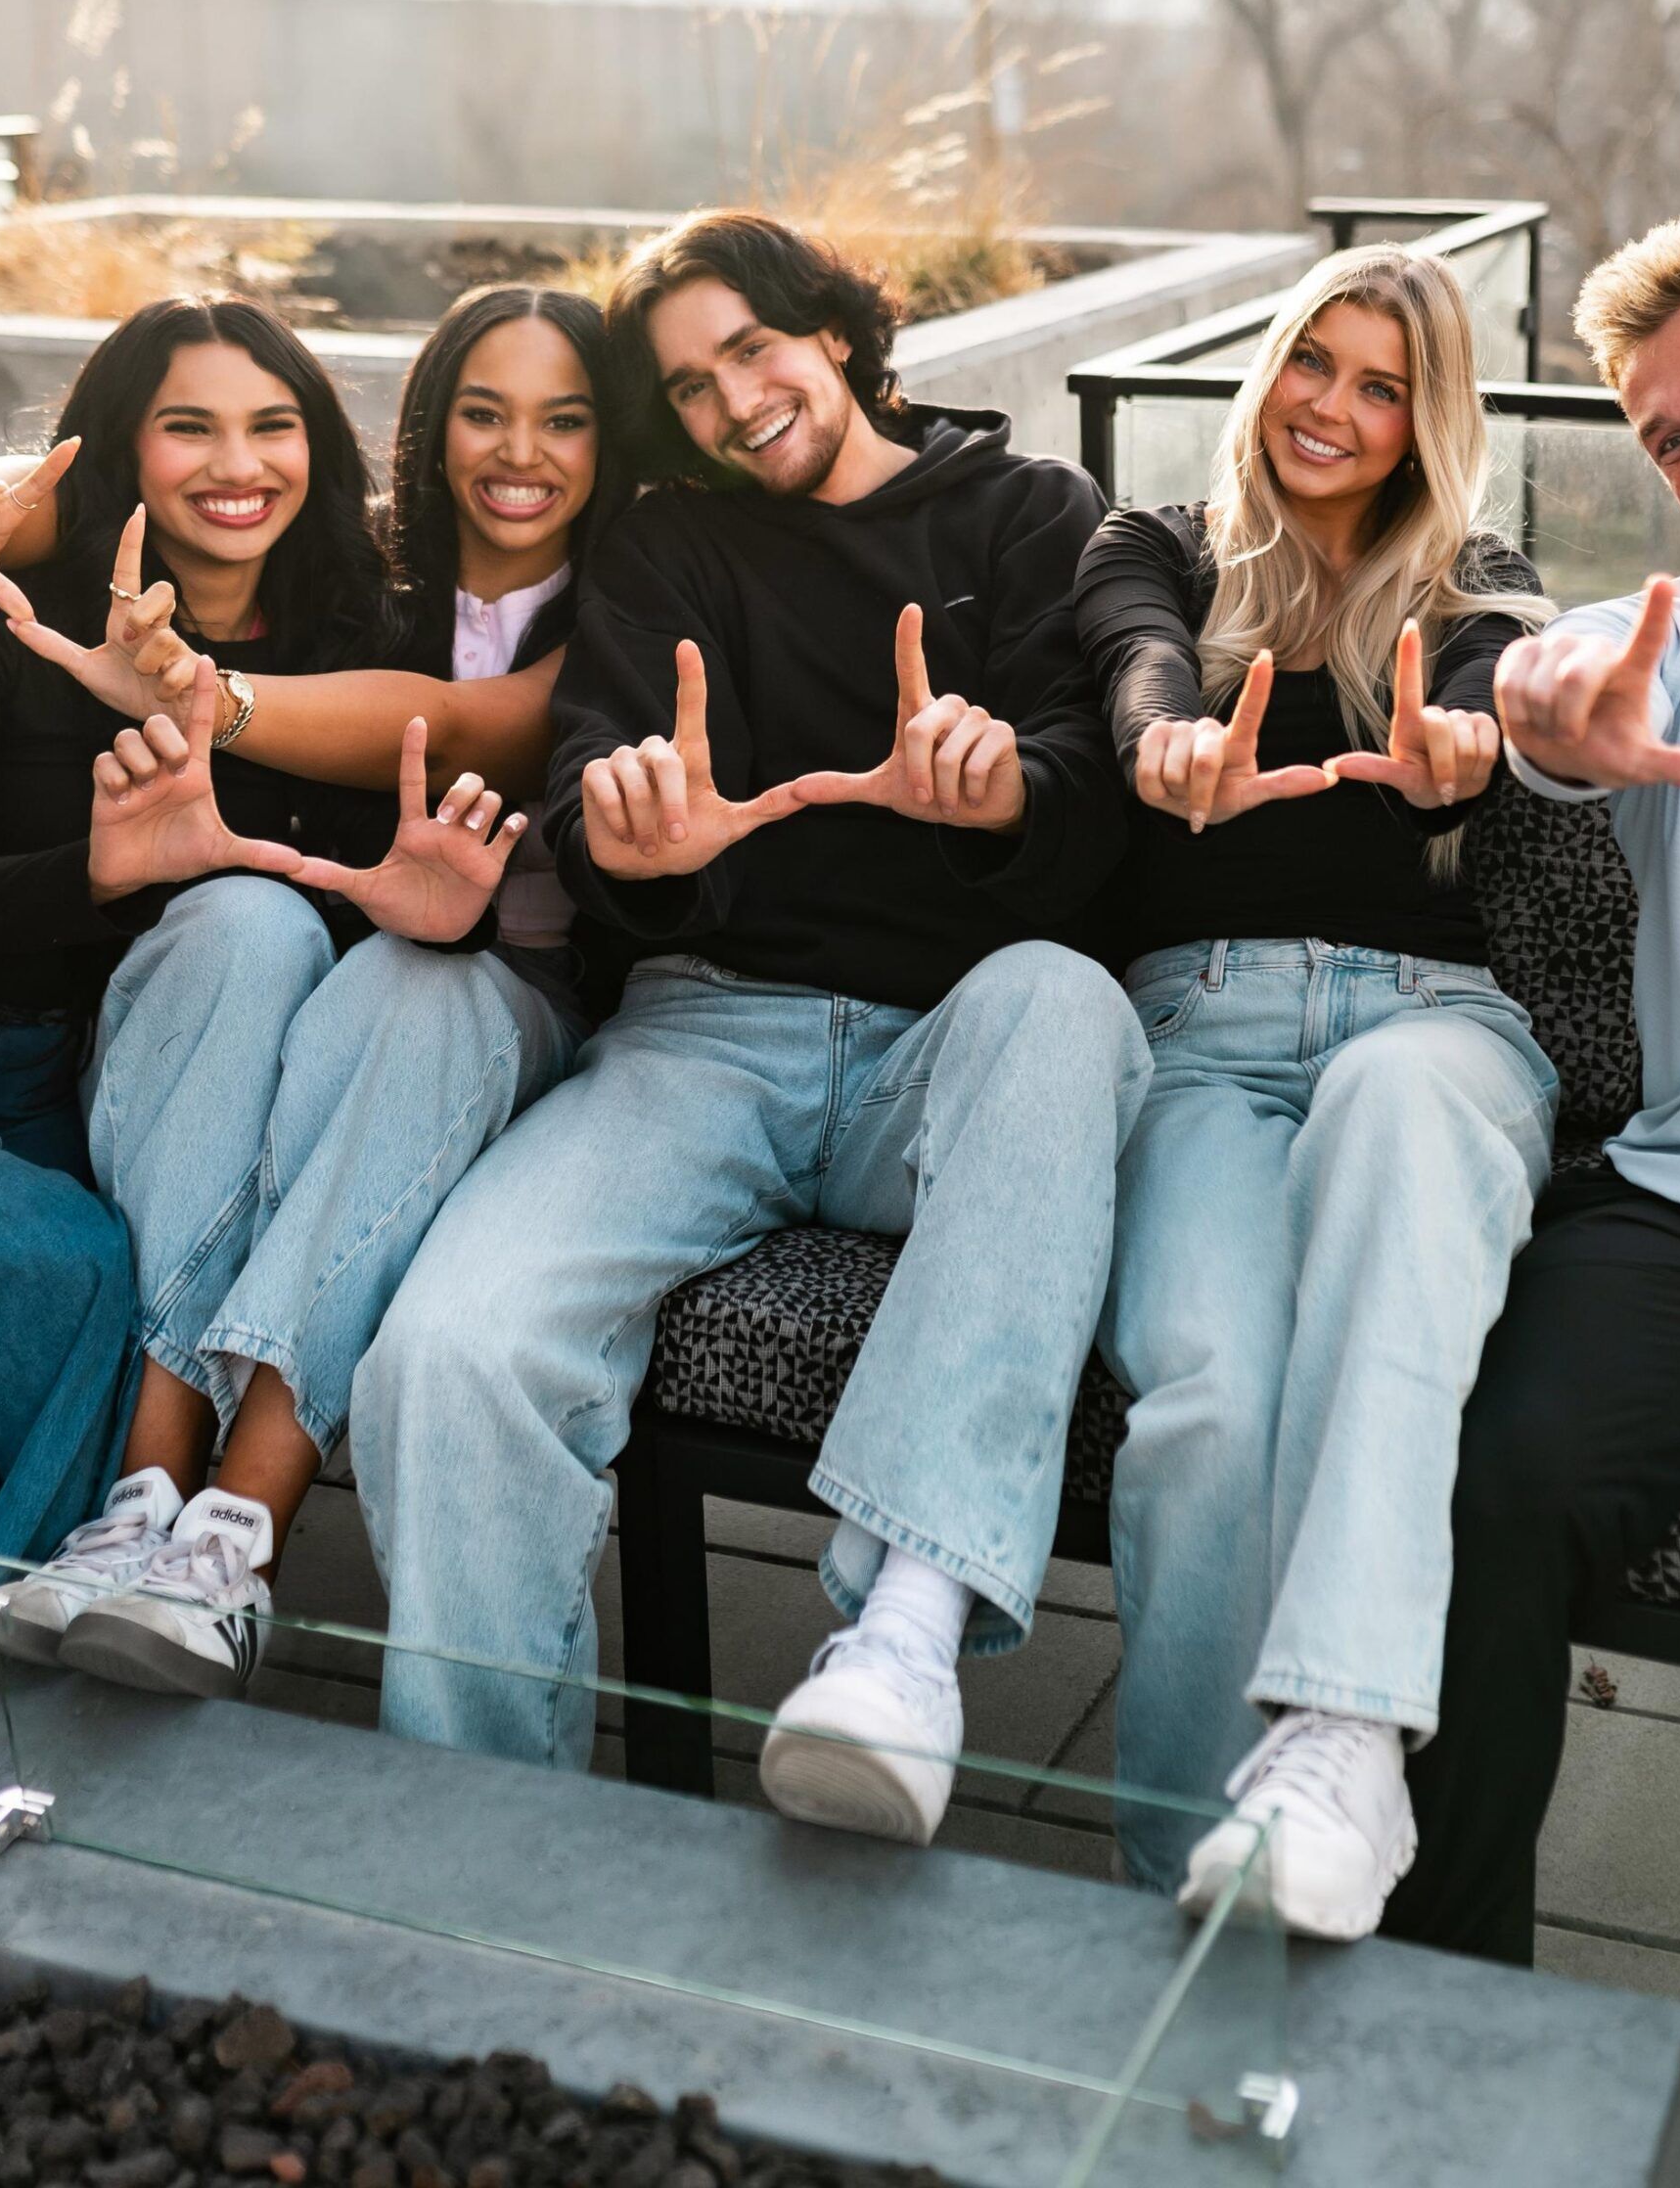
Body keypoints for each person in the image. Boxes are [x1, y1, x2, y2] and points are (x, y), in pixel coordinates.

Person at [349, 209, 1148, 1842]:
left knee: (1065, 1000)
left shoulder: (1027, 511)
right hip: (705, 1039)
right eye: (689, 390)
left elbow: (1097, 804)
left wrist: (1006, 797)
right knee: (450, 1350)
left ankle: (901, 1647)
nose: (732, 404)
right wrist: (633, 843)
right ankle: (479, 1852)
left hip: (959, 1048)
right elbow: (592, 782)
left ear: (835, 335)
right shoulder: (668, 546)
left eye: (753, 354)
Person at [0, 290, 622, 1698]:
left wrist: (198, 693)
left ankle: (237, 1533)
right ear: (428, 431)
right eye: (483, 411)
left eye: (565, 418)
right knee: (263, 926)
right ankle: (146, 1513)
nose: (519, 452)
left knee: (424, 993)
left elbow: (488, 726)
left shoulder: (637, 584)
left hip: (523, 999)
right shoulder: (363, 584)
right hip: (343, 974)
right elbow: (78, 506)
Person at [1074, 247, 1560, 1938]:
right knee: (1210, 1401)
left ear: (1429, 424)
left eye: (1382, 388)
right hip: (1200, 1034)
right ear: (1269, 367)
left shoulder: (1474, 578)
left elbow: (1505, 682)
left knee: (1393, 1125)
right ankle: (1189, 1893)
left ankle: (1346, 1742)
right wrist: (1167, 749)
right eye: (1315, 366)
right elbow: (1137, 656)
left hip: (1431, 1024)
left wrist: (1476, 745)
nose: (1335, 412)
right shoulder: (1159, 545)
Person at [1385, 205, 1680, 1965]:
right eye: (1667, 434)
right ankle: (1445, 2022)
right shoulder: (1661, 649)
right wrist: (1547, 702)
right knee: (1494, 1485)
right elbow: (1548, 705)